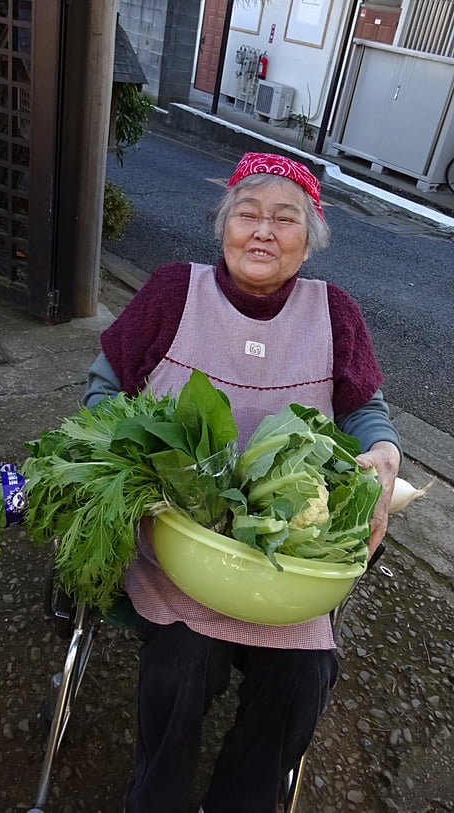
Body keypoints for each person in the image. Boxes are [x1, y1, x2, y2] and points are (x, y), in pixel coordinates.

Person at [84, 152, 401, 813]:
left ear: (309, 240)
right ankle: (156, 801)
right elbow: (105, 385)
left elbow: (365, 408)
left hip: (286, 567)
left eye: (286, 219)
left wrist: (384, 450)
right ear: (222, 224)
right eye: (247, 213)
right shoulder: (174, 291)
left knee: (304, 675)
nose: (264, 231)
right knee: (184, 662)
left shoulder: (335, 312)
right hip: (175, 551)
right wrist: (116, 454)